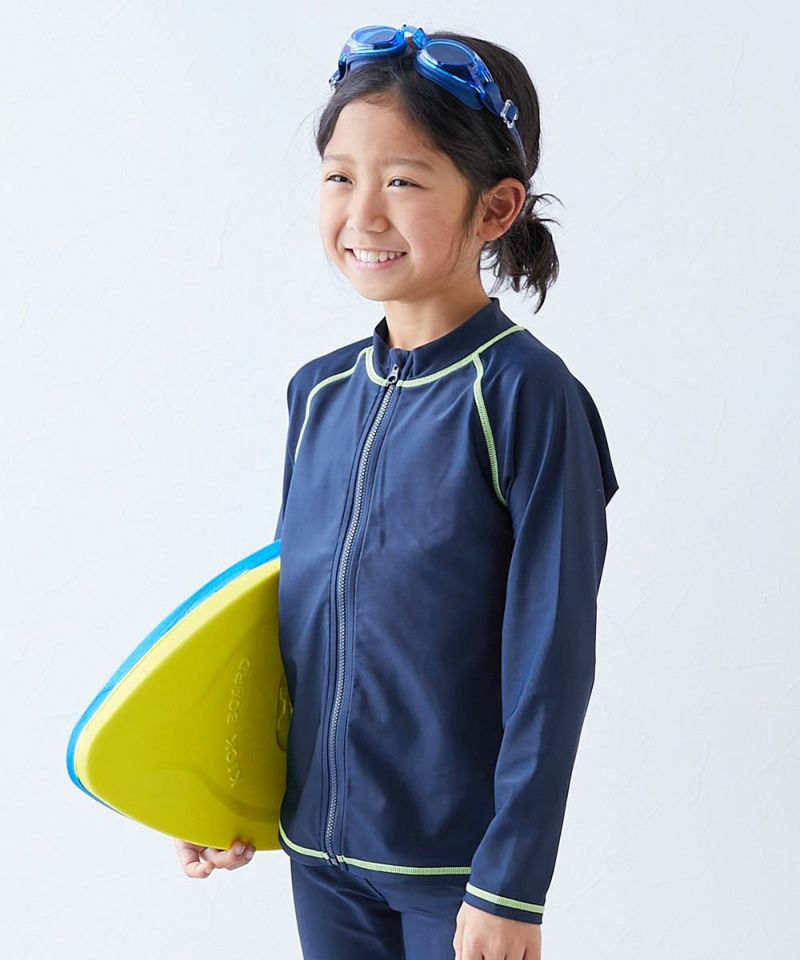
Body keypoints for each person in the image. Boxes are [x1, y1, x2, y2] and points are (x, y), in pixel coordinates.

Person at [178, 24, 620, 960]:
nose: (363, 213)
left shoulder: (526, 397)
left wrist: (512, 883)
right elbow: (286, 621)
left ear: (496, 208)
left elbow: (551, 661)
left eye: (404, 182)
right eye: (340, 176)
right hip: (320, 860)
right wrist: (223, 795)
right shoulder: (319, 393)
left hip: (459, 875)